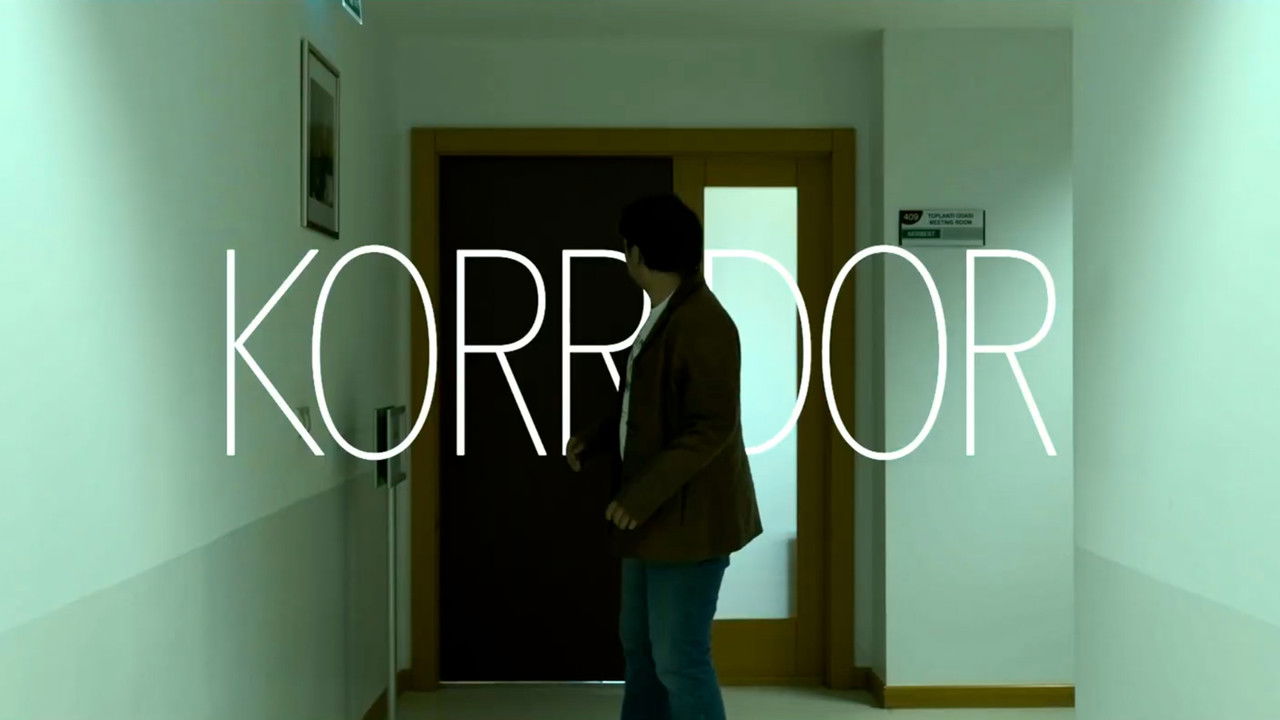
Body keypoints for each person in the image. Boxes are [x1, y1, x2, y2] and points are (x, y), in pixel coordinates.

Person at [566, 193, 762, 720]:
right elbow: (645, 404)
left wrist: (640, 496)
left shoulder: (704, 323)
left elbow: (711, 426)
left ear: (637, 253)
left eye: (625, 245)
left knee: (679, 661)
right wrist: (597, 438)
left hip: (688, 524)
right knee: (643, 652)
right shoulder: (668, 315)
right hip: (653, 520)